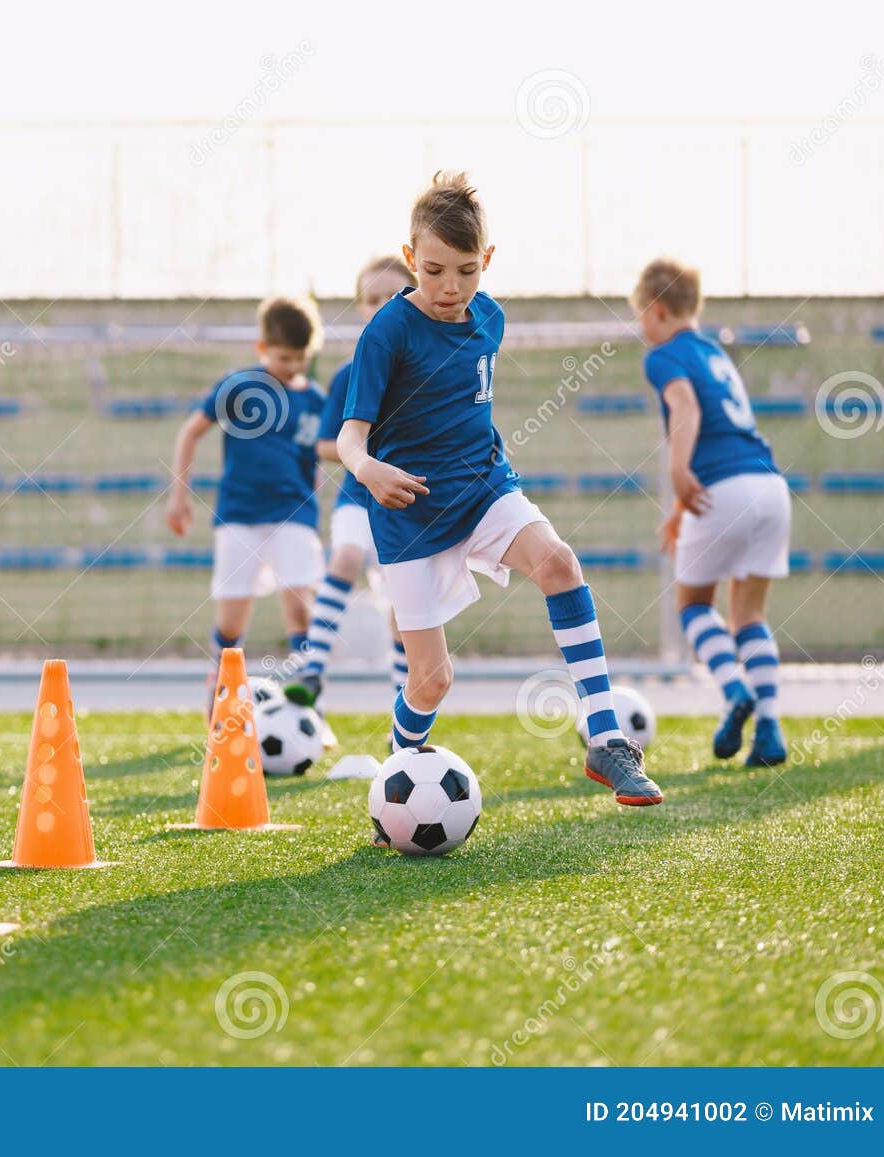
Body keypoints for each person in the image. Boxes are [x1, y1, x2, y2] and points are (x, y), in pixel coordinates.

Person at [336, 172, 662, 806]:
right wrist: (370, 470)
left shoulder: (491, 318)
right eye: (433, 271)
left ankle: (605, 738)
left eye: (465, 271)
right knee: (431, 681)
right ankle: (395, 785)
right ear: (410, 259)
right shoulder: (387, 331)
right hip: (410, 517)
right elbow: (352, 439)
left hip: (486, 488)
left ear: (487, 262)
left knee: (559, 561)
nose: (450, 288)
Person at [633, 257, 789, 765]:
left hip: (720, 489)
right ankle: (769, 730)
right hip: (769, 486)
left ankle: (735, 690)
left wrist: (680, 473)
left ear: (656, 311)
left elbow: (686, 407)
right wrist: (682, 505)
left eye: (639, 315)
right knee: (750, 614)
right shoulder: (714, 352)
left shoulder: (663, 355)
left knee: (695, 606)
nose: (640, 327)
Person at [167, 297, 327, 701]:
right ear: (263, 349)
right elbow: (190, 433)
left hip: (294, 514)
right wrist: (179, 498)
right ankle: (219, 701)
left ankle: (308, 705)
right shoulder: (240, 386)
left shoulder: (316, 401)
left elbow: (318, 459)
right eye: (283, 357)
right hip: (240, 515)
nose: (292, 366)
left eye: (300, 358)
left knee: (300, 610)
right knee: (232, 622)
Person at [287, 256, 414, 711]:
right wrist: (363, 453)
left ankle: (405, 706)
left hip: (408, 506)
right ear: (361, 308)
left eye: (394, 296)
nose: (382, 306)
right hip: (360, 499)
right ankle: (313, 668)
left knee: (404, 608)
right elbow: (324, 445)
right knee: (345, 556)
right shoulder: (350, 372)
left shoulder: (428, 369)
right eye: (372, 299)